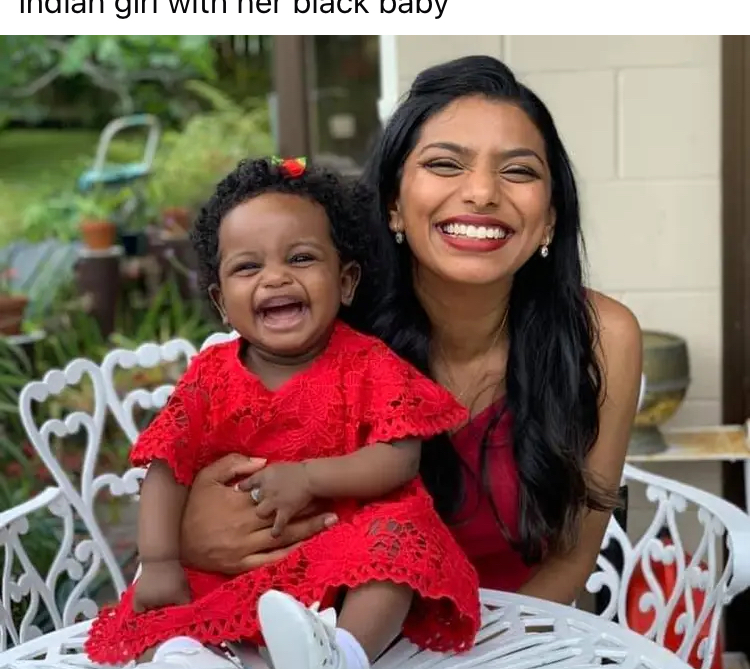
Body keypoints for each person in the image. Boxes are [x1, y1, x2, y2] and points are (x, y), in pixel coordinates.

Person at [177, 55, 643, 610]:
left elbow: (571, 560)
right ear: (394, 203)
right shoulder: (320, 325)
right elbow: (221, 505)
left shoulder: (604, 337)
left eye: (518, 171)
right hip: (332, 642)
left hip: (515, 638)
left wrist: (486, 654)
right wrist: (191, 536)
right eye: (445, 164)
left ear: (549, 218)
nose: (482, 192)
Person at [84, 156, 480, 669]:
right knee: (172, 602)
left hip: (340, 554)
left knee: (399, 539)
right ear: (221, 301)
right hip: (235, 561)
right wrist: (161, 560)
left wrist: (311, 477)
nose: (275, 279)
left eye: (301, 258)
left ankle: (339, 662)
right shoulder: (209, 378)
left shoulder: (368, 364)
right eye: (248, 267)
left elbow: (400, 457)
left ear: (345, 281)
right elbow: (167, 465)